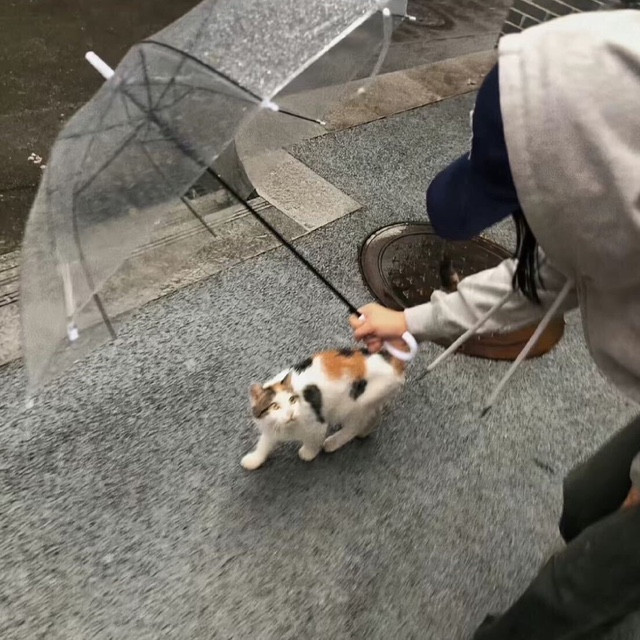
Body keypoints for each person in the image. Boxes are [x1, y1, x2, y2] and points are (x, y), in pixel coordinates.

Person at [350, 9, 640, 640]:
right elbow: (539, 276)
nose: (520, 222)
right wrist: (410, 318)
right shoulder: (610, 209)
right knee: (585, 501)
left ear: (600, 186)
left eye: (526, 198)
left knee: (566, 596)